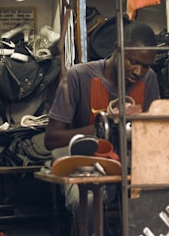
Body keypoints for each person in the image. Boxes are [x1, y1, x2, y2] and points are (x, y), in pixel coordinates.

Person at [44, 21, 160, 215]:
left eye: (145, 66)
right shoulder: (78, 77)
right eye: (133, 62)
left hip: (131, 165)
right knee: (87, 203)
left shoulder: (149, 80)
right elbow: (51, 139)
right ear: (117, 49)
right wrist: (102, 129)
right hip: (86, 165)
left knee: (163, 198)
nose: (138, 72)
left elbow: (155, 133)